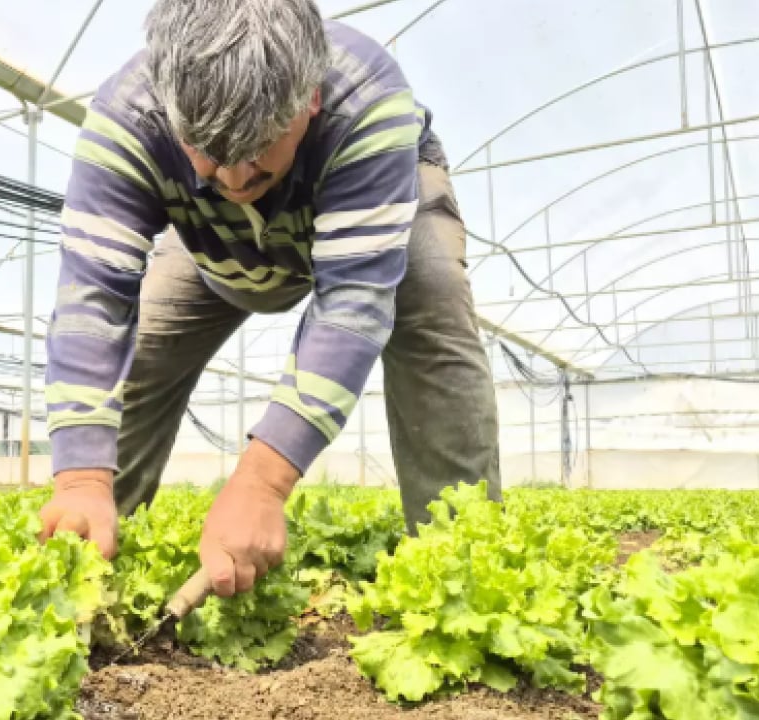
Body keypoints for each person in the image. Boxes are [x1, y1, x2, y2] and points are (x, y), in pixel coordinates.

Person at [37, 0, 501, 598]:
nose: (235, 180)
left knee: (432, 301)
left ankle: (466, 577)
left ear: (311, 98)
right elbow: (93, 299)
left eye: (258, 147)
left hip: (371, 206)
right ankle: (91, 566)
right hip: (207, 243)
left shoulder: (366, 99)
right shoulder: (128, 116)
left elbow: (353, 301)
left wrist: (262, 483)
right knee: (143, 353)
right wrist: (80, 480)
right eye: (206, 150)